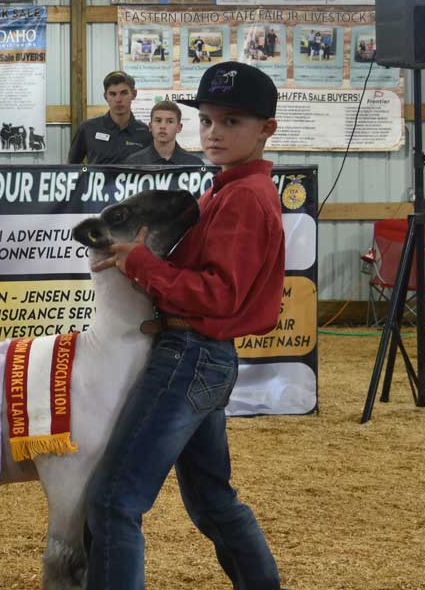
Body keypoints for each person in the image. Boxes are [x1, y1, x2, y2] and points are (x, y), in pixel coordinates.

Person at [85, 61, 285, 590]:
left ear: (266, 129)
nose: (214, 132)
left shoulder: (242, 197)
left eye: (232, 122)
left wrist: (141, 265)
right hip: (205, 356)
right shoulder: (229, 189)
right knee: (213, 500)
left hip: (190, 355)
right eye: (208, 120)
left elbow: (218, 294)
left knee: (113, 501)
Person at [67, 70, 151, 164]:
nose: (118, 100)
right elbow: (72, 166)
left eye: (123, 93)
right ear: (105, 96)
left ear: (134, 94)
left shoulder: (145, 132)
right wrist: (86, 172)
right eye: (113, 94)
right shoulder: (87, 128)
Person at [124, 100, 203, 166]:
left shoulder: (194, 164)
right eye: (158, 121)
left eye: (170, 121)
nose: (163, 126)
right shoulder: (133, 163)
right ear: (150, 126)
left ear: (179, 128)